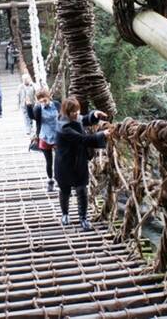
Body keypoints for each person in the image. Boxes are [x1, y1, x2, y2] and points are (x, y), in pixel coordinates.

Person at [55, 96, 110, 231]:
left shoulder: (72, 118)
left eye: (78, 110)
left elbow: (83, 119)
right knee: (65, 190)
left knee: (82, 190)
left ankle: (83, 218)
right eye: (74, 112)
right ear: (67, 113)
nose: (77, 114)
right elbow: (83, 139)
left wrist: (94, 115)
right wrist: (102, 134)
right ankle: (65, 214)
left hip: (78, 161)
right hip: (64, 163)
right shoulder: (64, 127)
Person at [32, 87, 60, 192]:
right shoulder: (38, 108)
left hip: (57, 136)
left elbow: (63, 116)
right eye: (40, 100)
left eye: (44, 99)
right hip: (44, 136)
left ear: (49, 97)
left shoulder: (56, 104)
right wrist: (29, 106)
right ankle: (50, 181)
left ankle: (59, 181)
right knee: (49, 161)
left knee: (59, 160)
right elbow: (33, 117)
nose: (42, 101)